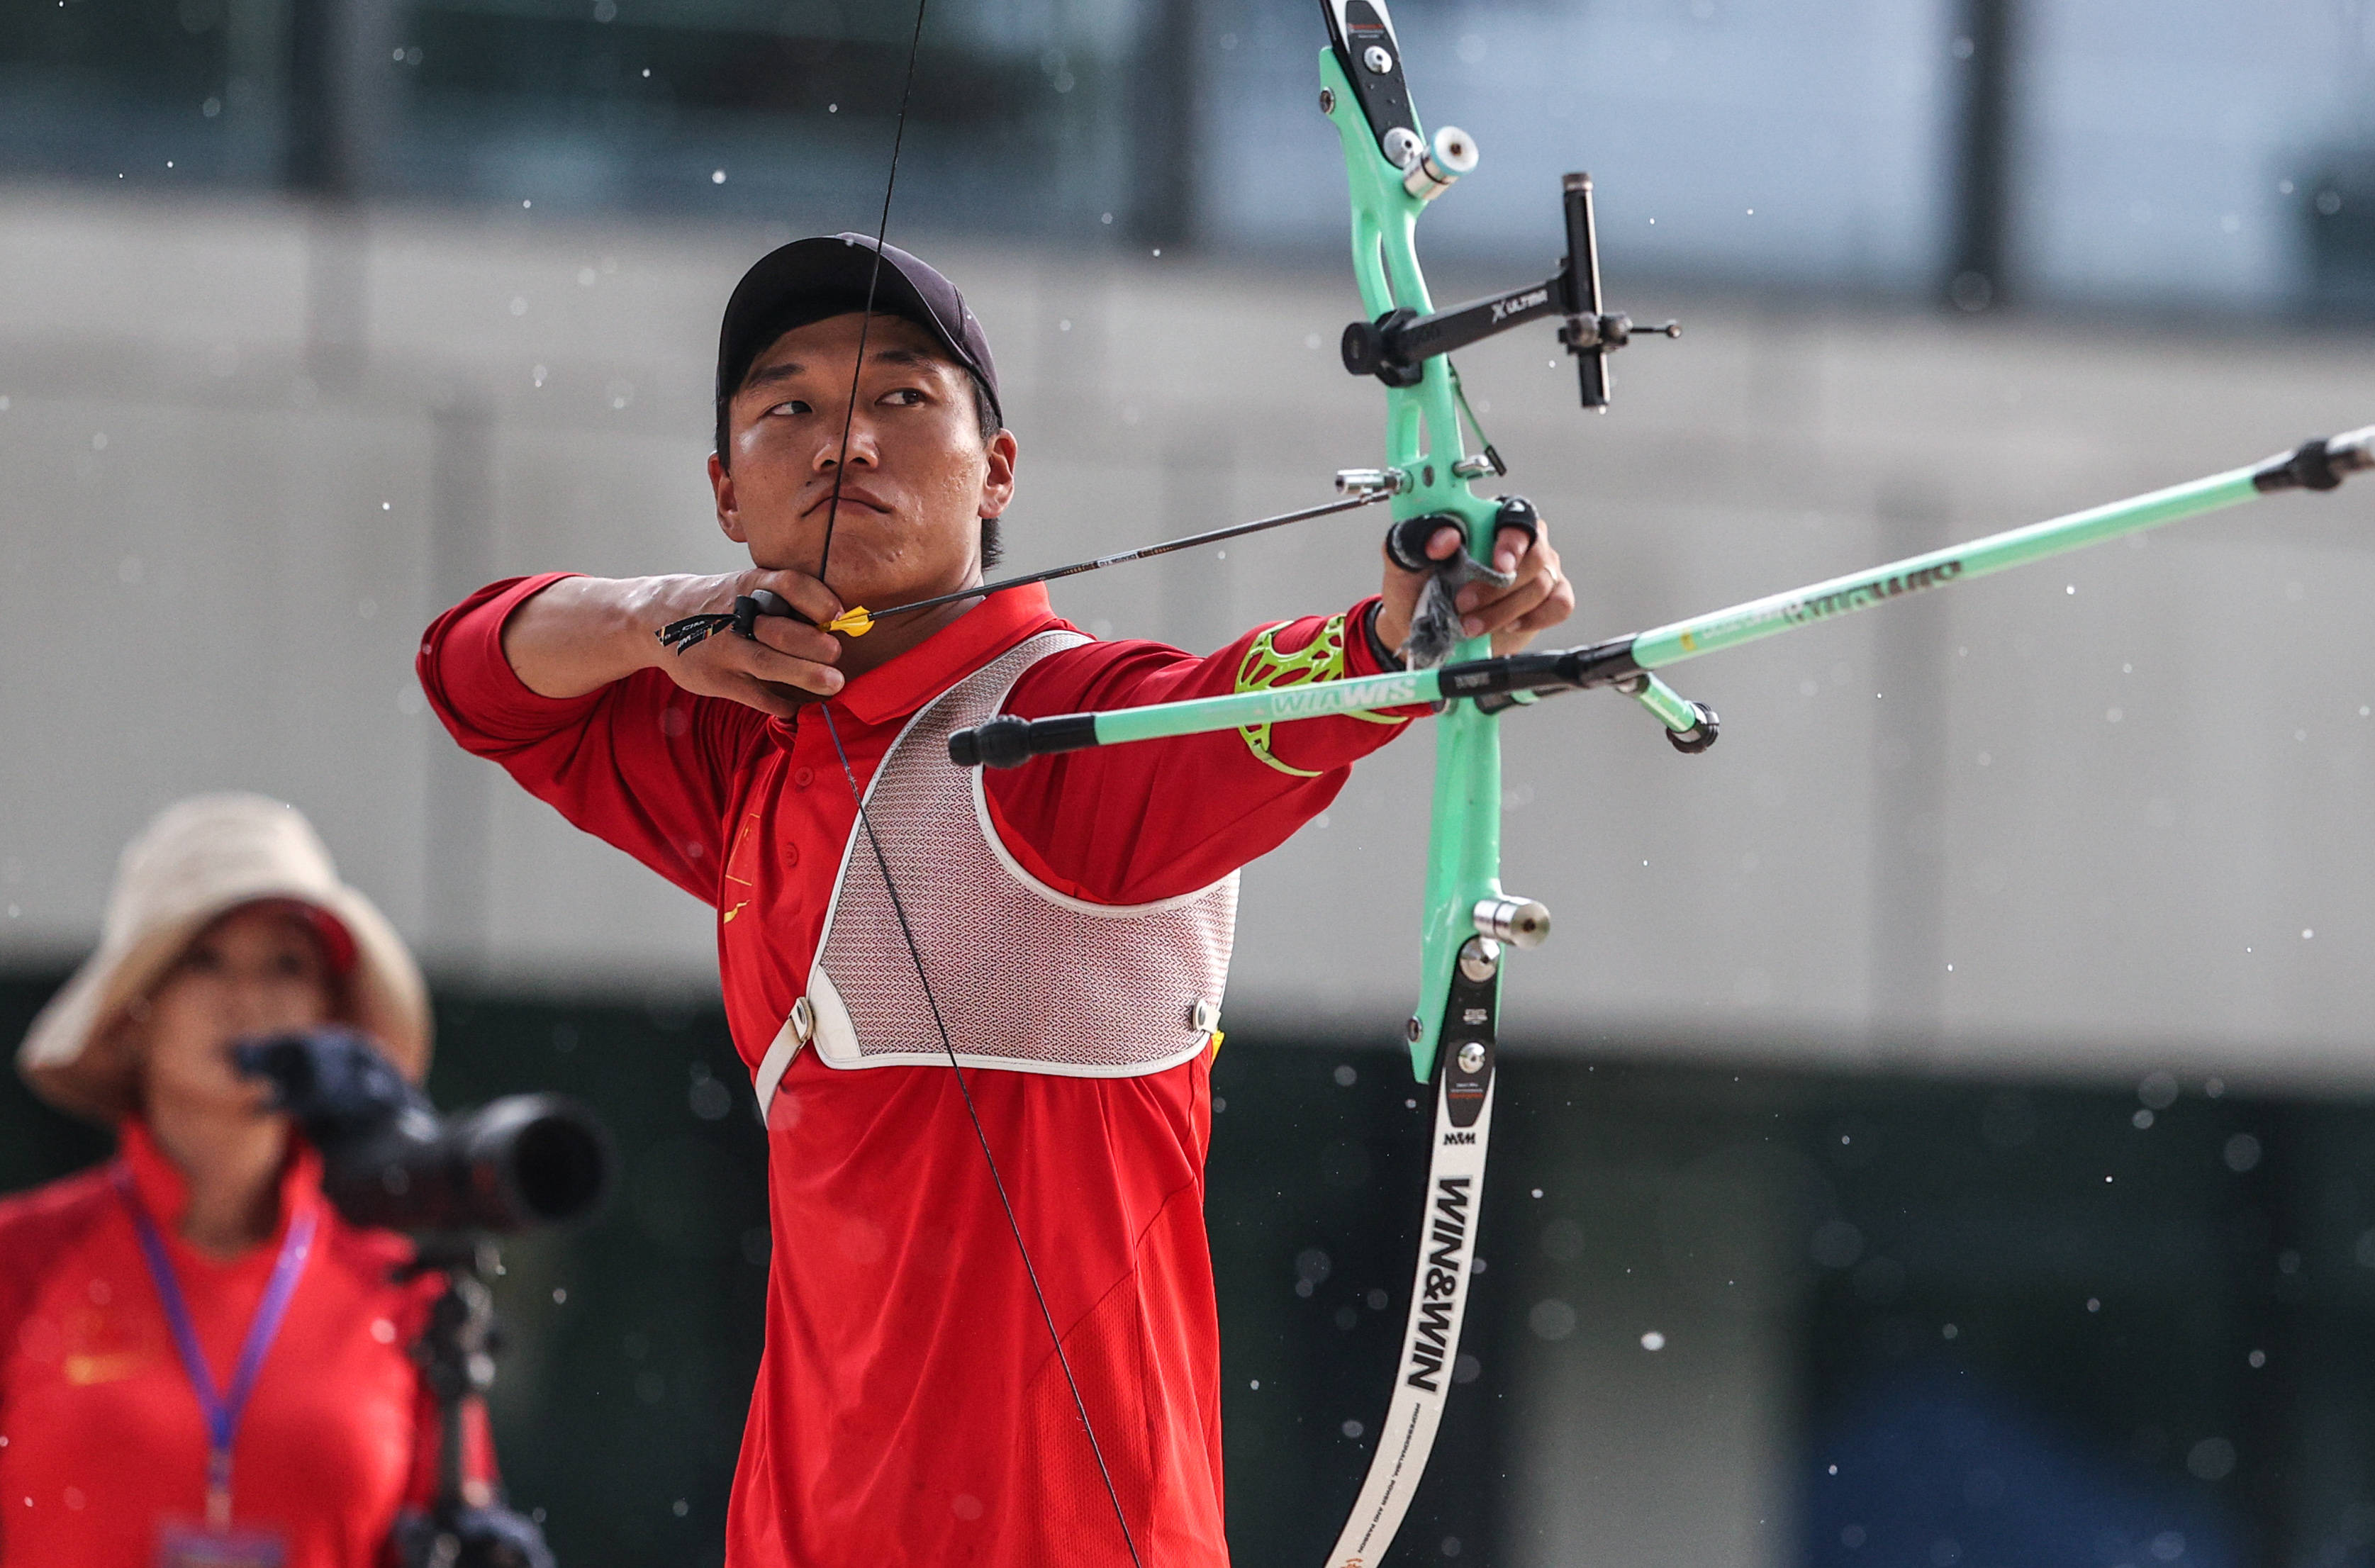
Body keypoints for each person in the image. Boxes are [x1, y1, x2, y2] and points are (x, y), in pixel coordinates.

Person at [417, 233, 1575, 1566]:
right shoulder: (748, 748)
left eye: (902, 399)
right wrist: (667, 619)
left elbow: (1232, 720)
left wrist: (1387, 644)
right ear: (728, 494)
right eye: (787, 407)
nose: (843, 442)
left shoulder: (1053, 732)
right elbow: (474, 675)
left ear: (999, 470)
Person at [0, 793, 491, 1568]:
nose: (248, 996)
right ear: (138, 1008)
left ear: (330, 1014)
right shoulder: (17, 1262)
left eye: (285, 965)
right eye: (205, 958)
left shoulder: (404, 1291)